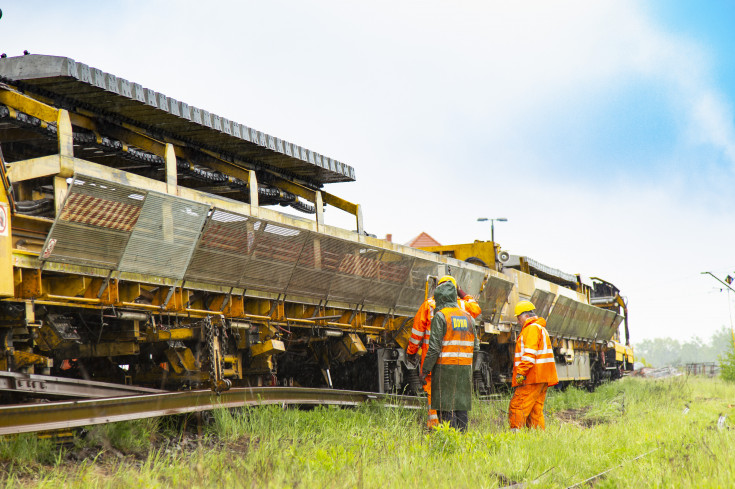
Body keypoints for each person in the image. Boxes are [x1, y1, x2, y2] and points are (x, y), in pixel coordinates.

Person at [406, 275, 481, 427]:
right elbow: (476, 310)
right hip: (462, 364)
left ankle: (437, 427)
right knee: (460, 402)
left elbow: (418, 334)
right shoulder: (465, 309)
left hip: (437, 361)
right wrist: (462, 291)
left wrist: (411, 353)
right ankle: (460, 435)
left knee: (438, 397)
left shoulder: (429, 305)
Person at [508, 300, 559, 430]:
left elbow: (529, 355)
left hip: (532, 377)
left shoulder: (531, 329)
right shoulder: (540, 328)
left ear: (526, 316)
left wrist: (520, 374)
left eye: (519, 318)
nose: (518, 322)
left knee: (517, 406)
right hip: (542, 377)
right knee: (535, 411)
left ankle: (515, 436)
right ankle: (538, 437)